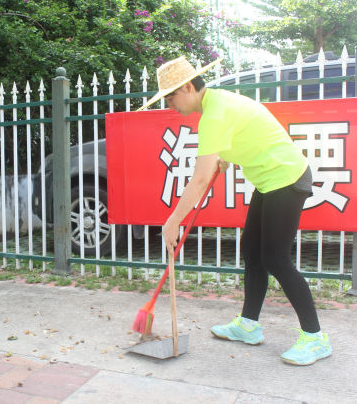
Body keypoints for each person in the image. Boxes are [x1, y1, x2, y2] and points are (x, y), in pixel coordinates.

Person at [138, 56, 332, 366]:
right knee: (251, 251)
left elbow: (200, 179)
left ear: (187, 87)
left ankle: (315, 337)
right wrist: (227, 156)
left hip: (287, 178)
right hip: (270, 180)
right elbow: (244, 135)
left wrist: (172, 221)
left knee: (276, 258)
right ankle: (248, 325)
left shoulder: (214, 115)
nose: (170, 104)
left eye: (171, 96)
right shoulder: (217, 103)